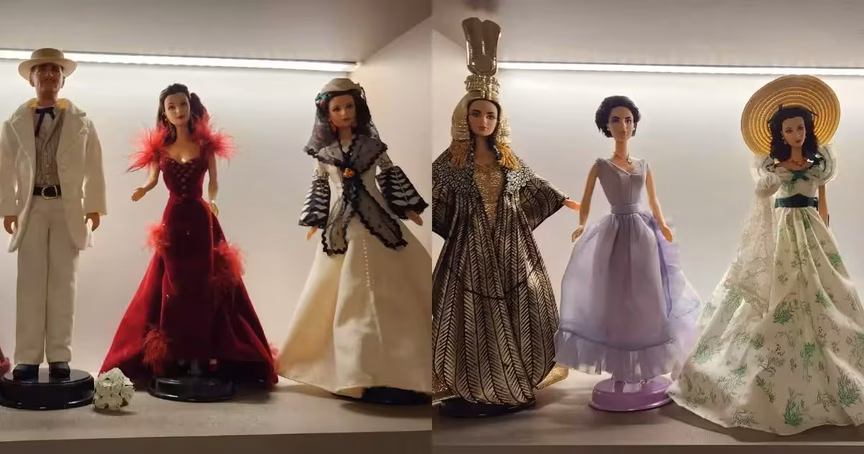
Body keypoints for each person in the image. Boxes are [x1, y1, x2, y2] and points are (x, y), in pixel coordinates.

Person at [669, 75, 864, 434]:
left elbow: (823, 206)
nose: (796, 134)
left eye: (800, 128)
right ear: (781, 134)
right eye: (789, 130)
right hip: (781, 232)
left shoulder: (819, 166)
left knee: (826, 297)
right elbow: (765, 206)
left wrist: (826, 236)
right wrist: (766, 200)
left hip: (813, 233)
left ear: (807, 130)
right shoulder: (771, 169)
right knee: (776, 294)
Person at [432, 18, 579, 417]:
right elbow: (434, 195)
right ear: (465, 117)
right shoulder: (451, 162)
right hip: (470, 249)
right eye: (477, 114)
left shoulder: (508, 160)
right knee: (468, 315)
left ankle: (515, 382)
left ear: (499, 120)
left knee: (526, 303)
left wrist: (563, 199)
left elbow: (535, 185)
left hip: (513, 247)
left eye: (490, 116)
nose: (483, 121)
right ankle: (475, 385)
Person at [100, 83, 276, 386]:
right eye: (171, 107)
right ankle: (177, 354)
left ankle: (201, 355)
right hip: (174, 220)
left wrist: (214, 200)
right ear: (164, 113)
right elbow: (152, 179)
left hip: (201, 218)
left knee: (204, 284)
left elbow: (214, 183)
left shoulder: (205, 146)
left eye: (182, 104)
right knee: (174, 285)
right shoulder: (160, 150)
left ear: (190, 107)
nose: (178, 110)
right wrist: (143, 188)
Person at [276, 78, 432, 405]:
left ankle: (397, 372)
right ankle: (356, 372)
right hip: (341, 228)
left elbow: (389, 174)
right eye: (337, 108)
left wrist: (408, 209)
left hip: (378, 223)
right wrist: (315, 220)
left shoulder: (373, 147)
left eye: (349, 106)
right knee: (342, 295)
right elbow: (320, 184)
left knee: (389, 293)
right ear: (327, 114)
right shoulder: (324, 153)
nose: (344, 113)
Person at [554, 96, 700, 410]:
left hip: (643, 235)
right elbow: (586, 199)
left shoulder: (643, 164)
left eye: (629, 120)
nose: (623, 125)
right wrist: (581, 225)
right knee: (616, 297)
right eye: (616, 120)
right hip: (615, 235)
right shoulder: (600, 165)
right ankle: (621, 369)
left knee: (648, 296)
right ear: (606, 126)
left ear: (634, 125)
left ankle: (647, 369)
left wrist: (662, 224)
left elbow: (653, 199)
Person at [0, 48, 107, 380]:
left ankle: (60, 354)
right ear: (31, 78)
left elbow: (94, 164)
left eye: (55, 70)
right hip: (31, 206)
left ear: (63, 78)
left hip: (66, 206)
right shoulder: (14, 123)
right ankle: (27, 356)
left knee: (64, 281)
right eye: (42, 70)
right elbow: (4, 167)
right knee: (30, 283)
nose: (49, 75)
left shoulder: (82, 122)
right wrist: (8, 208)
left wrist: (93, 205)